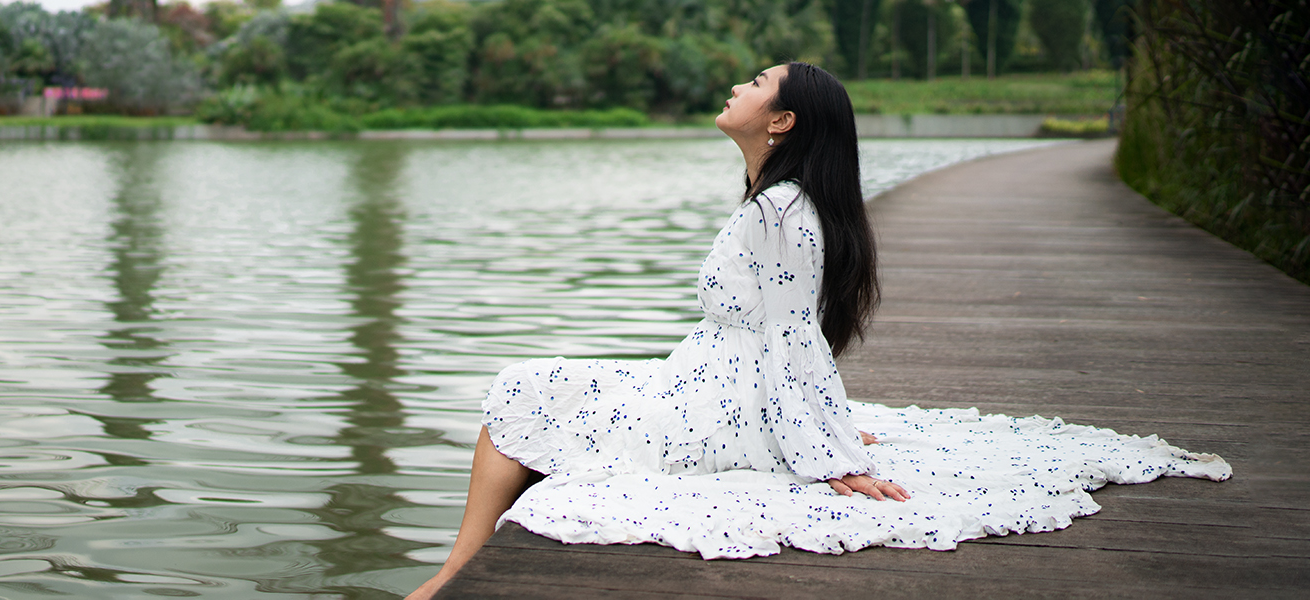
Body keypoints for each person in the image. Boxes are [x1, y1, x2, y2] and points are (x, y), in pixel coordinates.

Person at [406, 63, 1230, 599]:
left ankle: (454, 573)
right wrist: (824, 427)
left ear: (784, 121)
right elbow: (789, 337)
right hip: (712, 385)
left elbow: (789, 338)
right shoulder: (783, 203)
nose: (735, 85)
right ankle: (462, 567)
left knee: (524, 386)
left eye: (757, 81)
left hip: (717, 402)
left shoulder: (779, 212)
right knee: (549, 388)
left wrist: (825, 452)